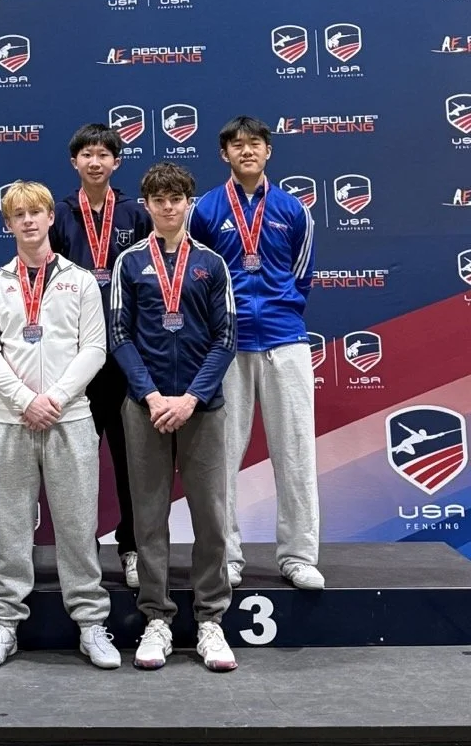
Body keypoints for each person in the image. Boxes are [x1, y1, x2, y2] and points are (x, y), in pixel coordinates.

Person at [0, 181, 120, 671]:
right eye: (19, 215)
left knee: (79, 526)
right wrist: (25, 401)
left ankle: (91, 623)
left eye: (37, 212)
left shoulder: (80, 282)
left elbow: (94, 349)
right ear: (8, 223)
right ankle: (5, 624)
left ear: (51, 218)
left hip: (70, 418)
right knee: (9, 528)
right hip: (9, 421)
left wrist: (53, 399)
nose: (29, 221)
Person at [110, 163, 237, 673]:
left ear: (188, 203)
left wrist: (190, 399)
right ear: (147, 205)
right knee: (149, 517)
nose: (167, 207)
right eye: (158, 199)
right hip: (146, 409)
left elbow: (226, 339)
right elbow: (119, 336)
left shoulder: (211, 264)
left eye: (176, 198)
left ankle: (210, 621)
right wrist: (153, 396)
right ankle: (157, 619)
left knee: (211, 518)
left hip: (202, 409)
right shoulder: (129, 263)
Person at [188, 115, 321, 590]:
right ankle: (227, 554)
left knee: (296, 450)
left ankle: (299, 555)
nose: (247, 151)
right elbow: (196, 273)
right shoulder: (204, 209)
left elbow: (300, 278)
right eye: (237, 145)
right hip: (229, 346)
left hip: (286, 341)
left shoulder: (294, 210)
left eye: (255, 144)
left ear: (269, 151)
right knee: (222, 455)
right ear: (224, 154)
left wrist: (279, 315)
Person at [50, 123, 151, 589]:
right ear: (75, 163)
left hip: (126, 356)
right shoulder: (59, 214)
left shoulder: (136, 213)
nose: (95, 162)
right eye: (86, 154)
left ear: (116, 162)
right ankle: (80, 552)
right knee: (75, 462)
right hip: (75, 360)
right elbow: (45, 286)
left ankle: (131, 548)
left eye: (103, 154)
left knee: (131, 460)